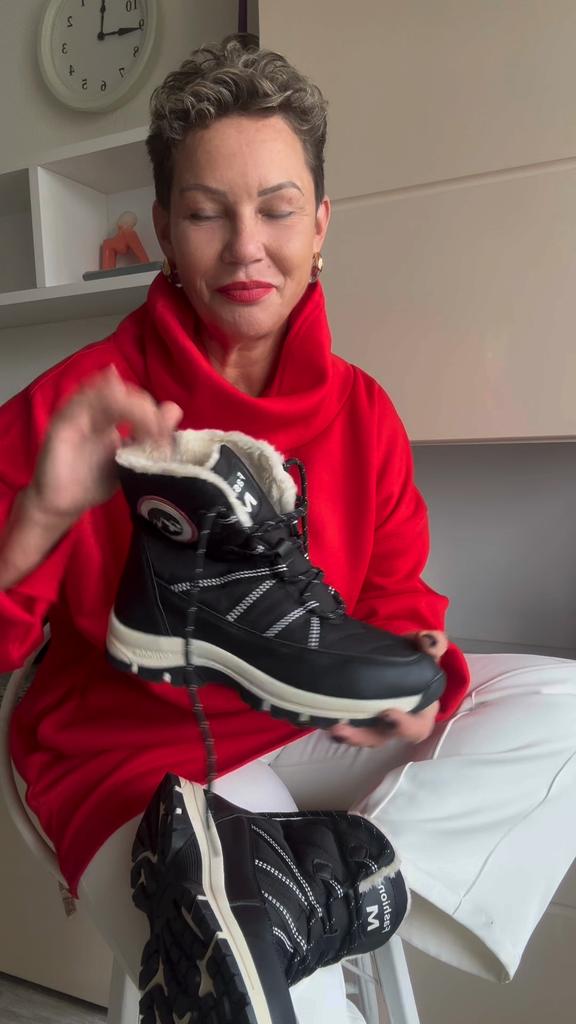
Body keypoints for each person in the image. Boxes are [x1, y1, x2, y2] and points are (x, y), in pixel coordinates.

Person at [1, 33, 575, 1024]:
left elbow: (394, 600)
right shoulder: (73, 407)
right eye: (206, 212)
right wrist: (42, 515)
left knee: (562, 703)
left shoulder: (364, 412)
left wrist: (411, 671)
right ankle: (272, 912)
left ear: (319, 224)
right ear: (163, 230)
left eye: (275, 209)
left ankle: (322, 891)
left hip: (300, 730)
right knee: (277, 999)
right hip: (130, 756)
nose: (245, 247)